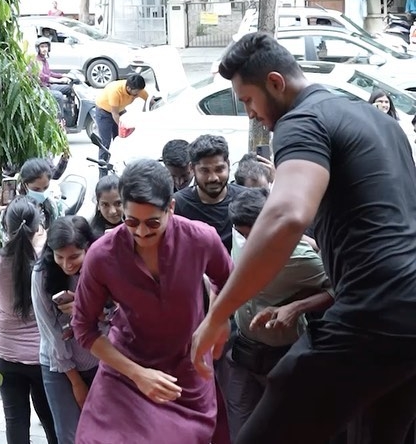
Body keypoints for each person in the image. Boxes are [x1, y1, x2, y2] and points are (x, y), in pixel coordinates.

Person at [191, 31, 416, 444]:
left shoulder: (302, 120)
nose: (251, 114)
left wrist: (218, 314)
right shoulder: (379, 121)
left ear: (275, 83)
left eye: (247, 100)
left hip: (374, 311)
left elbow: (287, 214)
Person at [71, 159, 232, 444]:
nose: (142, 233)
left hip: (186, 367)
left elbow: (229, 280)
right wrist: (138, 374)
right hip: (127, 366)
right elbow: (84, 327)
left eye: (152, 223)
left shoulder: (200, 239)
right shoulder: (102, 255)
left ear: (170, 207)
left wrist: (217, 322)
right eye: (131, 222)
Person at [225, 187, 333, 439]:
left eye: (259, 236)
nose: (252, 244)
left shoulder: (299, 257)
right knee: (241, 426)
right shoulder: (238, 232)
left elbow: (342, 287)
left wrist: (296, 307)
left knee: (288, 426)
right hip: (241, 350)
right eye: (245, 237)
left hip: (282, 356)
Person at [0, 195, 57, 444]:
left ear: (6, 230)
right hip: (43, 357)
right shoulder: (49, 263)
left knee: (15, 421)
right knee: (52, 421)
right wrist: (43, 241)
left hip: (5, 355)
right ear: (38, 228)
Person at [31, 216, 100, 444]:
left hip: (100, 358)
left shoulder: (101, 267)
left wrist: (84, 308)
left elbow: (116, 316)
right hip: (59, 364)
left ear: (87, 247)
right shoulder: (42, 273)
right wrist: (76, 382)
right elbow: (49, 331)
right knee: (69, 436)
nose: (67, 264)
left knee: (103, 431)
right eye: (59, 256)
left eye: (74, 256)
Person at [173, 135, 246, 254]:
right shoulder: (178, 205)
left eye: (219, 169)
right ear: (192, 169)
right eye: (205, 171)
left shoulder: (245, 200)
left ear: (228, 164)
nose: (213, 178)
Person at [93, 74, 147, 160]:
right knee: (105, 143)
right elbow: (115, 113)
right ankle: (103, 171)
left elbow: (149, 100)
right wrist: (124, 127)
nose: (138, 94)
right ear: (129, 88)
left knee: (122, 140)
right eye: (136, 92)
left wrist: (145, 111)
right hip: (104, 112)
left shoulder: (137, 89)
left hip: (119, 110)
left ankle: (119, 164)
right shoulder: (115, 91)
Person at [19, 158, 64, 231]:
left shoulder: (55, 206)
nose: (42, 193)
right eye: (36, 189)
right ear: (25, 185)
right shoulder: (14, 210)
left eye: (46, 187)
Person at [35, 38, 71, 125]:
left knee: (68, 89)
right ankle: (59, 119)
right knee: (58, 95)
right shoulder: (37, 61)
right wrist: (60, 80)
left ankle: (69, 112)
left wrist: (62, 75)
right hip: (41, 89)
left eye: (46, 47)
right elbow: (43, 77)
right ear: (38, 49)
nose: (44, 49)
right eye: (42, 47)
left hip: (48, 86)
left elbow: (49, 73)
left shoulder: (44, 60)